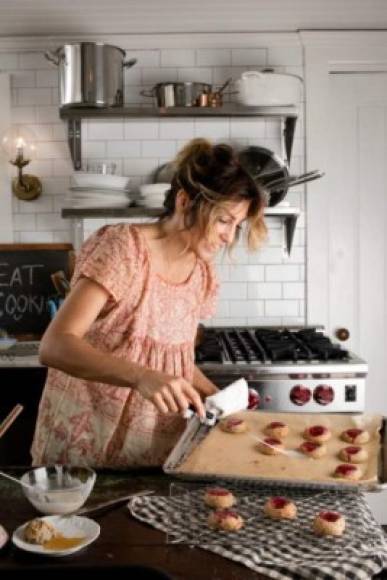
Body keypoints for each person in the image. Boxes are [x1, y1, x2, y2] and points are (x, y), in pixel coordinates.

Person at [31, 138, 267, 468]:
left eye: (237, 226)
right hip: (86, 449)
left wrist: (217, 397)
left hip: (154, 454)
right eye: (224, 220)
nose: (229, 237)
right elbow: (55, 346)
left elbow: (172, 361)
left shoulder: (202, 273)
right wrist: (141, 376)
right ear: (185, 202)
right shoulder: (123, 249)